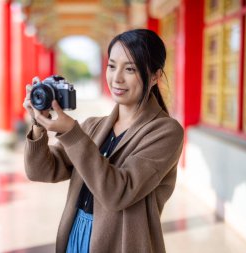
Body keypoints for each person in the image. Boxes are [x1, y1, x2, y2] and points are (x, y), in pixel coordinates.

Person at [22, 29, 184, 253]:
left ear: (155, 76)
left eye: (130, 69)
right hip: (75, 235)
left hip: (121, 244)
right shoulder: (92, 127)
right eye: (111, 65)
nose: (116, 78)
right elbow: (40, 171)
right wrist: (38, 122)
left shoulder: (166, 132)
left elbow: (118, 192)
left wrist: (71, 132)